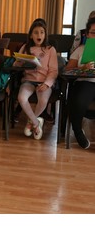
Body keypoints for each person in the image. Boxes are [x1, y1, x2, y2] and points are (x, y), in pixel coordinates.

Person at [13, 19, 58, 140]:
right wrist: (18, 62)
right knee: (21, 98)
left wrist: (47, 84)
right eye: (36, 32)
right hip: (28, 80)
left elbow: (53, 70)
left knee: (43, 100)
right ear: (31, 35)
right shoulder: (25, 47)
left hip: (44, 81)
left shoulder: (50, 49)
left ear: (45, 34)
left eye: (42, 32)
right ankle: (36, 123)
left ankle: (30, 122)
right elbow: (16, 65)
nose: (39, 35)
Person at [65, 17, 95, 149]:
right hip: (85, 82)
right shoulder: (80, 49)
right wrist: (83, 68)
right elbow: (68, 70)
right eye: (93, 32)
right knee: (79, 99)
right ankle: (78, 131)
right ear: (87, 34)